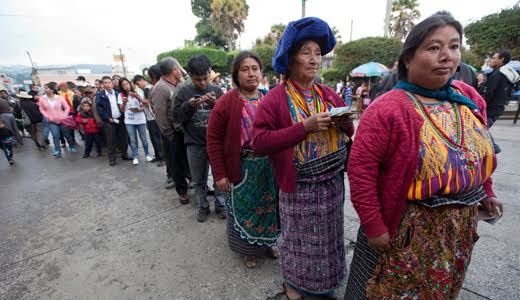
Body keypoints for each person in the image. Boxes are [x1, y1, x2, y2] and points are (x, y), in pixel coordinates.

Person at [345, 12, 502, 300]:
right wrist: (374, 225)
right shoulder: (387, 109)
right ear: (408, 59)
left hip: (459, 230)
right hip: (409, 231)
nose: (447, 56)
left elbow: (476, 151)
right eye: (434, 48)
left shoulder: (467, 98)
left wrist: (486, 192)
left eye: (453, 47)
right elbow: (361, 171)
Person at [252, 17, 354, 299]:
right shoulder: (274, 99)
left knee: (329, 240)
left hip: (332, 185)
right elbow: (258, 142)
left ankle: (326, 285)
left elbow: (349, 132)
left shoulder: (329, 94)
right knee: (300, 244)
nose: (314, 59)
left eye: (318, 53)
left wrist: (344, 123)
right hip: (299, 189)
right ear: (290, 57)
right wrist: (303, 128)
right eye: (306, 51)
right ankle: (295, 284)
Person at [208, 51, 280, 268]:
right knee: (245, 209)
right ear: (236, 74)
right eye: (245, 69)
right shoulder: (225, 103)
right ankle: (247, 251)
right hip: (242, 167)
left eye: (255, 69)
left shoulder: (269, 98)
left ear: (261, 73)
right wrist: (220, 174)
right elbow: (213, 140)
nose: (251, 74)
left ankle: (267, 243)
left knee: (269, 208)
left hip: (269, 167)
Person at [173, 55, 226, 222]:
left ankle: (221, 205)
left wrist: (215, 104)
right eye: (198, 80)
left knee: (219, 177)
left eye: (205, 78)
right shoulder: (183, 92)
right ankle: (203, 206)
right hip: (194, 144)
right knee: (198, 179)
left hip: (216, 143)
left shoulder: (217, 91)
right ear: (190, 75)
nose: (202, 83)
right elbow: (176, 117)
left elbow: (226, 116)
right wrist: (188, 106)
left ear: (209, 73)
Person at [151, 58, 190, 200]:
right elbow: (160, 114)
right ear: (174, 70)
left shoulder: (178, 84)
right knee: (176, 164)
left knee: (186, 159)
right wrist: (169, 134)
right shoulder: (160, 88)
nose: (181, 71)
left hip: (182, 130)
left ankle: (192, 182)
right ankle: (182, 192)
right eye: (179, 68)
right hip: (172, 133)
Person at [482, 49, 520, 153]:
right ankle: (493, 147)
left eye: (494, 58)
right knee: (481, 128)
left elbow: (488, 93)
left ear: (501, 59)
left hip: (490, 109)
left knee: (479, 128)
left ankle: (494, 147)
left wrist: (479, 103)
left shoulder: (497, 74)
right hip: (498, 108)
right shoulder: (506, 75)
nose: (491, 60)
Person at [95, 76, 131, 166]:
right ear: (103, 84)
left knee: (124, 138)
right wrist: (107, 118)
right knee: (111, 140)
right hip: (109, 121)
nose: (108, 84)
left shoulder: (117, 93)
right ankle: (112, 158)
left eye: (109, 82)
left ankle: (124, 154)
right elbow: (100, 109)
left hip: (120, 119)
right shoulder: (100, 95)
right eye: (105, 83)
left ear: (112, 83)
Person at [118, 77, 153, 165]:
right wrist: (124, 102)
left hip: (140, 120)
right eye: (123, 85)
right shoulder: (121, 95)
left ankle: (147, 154)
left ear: (130, 84)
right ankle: (135, 156)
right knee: (132, 139)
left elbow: (145, 105)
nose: (126, 86)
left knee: (144, 138)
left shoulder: (138, 92)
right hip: (129, 121)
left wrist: (138, 108)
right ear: (121, 87)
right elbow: (121, 110)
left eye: (127, 84)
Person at [133, 75, 163, 165]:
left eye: (138, 84)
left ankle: (162, 157)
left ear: (142, 80)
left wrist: (138, 97)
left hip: (153, 117)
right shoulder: (149, 87)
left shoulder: (147, 88)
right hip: (151, 117)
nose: (139, 86)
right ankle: (158, 156)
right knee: (154, 138)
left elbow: (148, 102)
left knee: (156, 138)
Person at [39, 83, 74, 157]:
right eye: (44, 88)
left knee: (67, 135)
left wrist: (64, 115)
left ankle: (71, 146)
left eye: (47, 88)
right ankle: (57, 151)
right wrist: (47, 116)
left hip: (62, 120)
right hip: (52, 121)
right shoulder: (42, 99)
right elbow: (42, 109)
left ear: (52, 89)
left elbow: (67, 108)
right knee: (55, 136)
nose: (45, 89)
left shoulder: (59, 98)